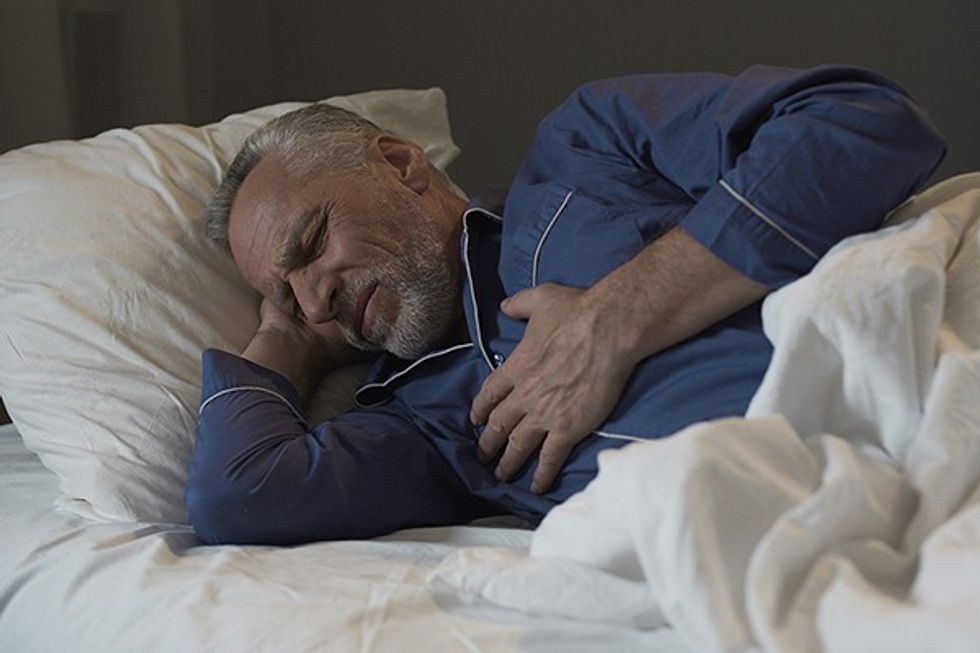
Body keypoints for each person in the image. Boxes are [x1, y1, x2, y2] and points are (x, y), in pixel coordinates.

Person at [186, 64, 945, 545]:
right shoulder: (428, 426)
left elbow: (866, 121)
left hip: (926, 399)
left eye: (312, 241)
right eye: (286, 296)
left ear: (400, 163)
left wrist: (614, 318)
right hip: (827, 536)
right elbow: (240, 496)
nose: (315, 298)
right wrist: (284, 343)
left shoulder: (586, 148)